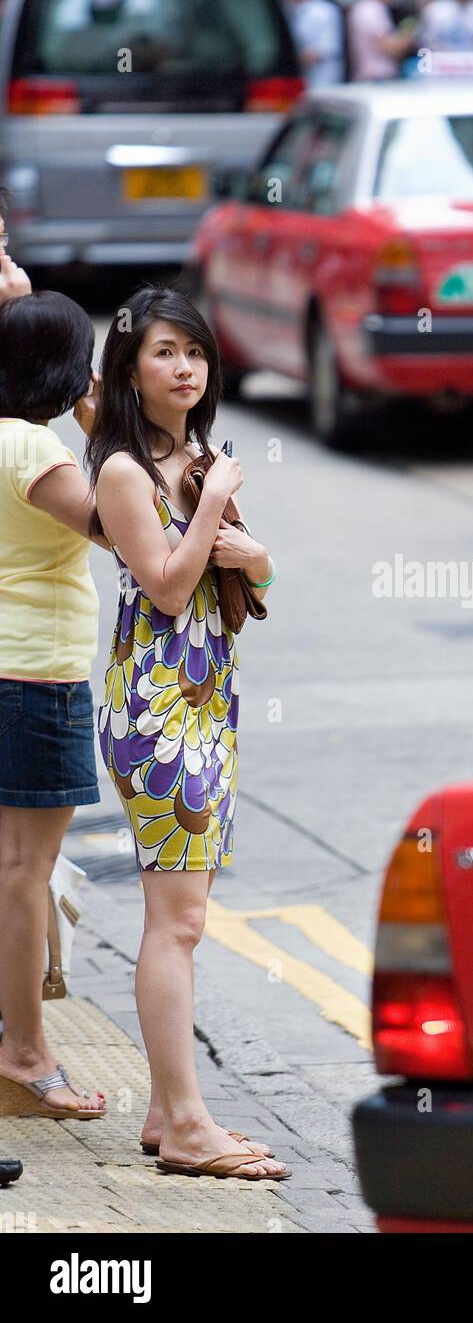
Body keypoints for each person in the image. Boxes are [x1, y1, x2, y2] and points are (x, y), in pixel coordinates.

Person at [86, 286, 287, 1182]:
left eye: (196, 353)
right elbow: (168, 586)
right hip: (155, 710)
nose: (185, 368)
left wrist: (256, 552)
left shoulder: (202, 459)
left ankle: (172, 1117)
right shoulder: (125, 470)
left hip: (209, 703)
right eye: (166, 352)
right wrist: (221, 505)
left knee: (186, 921)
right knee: (179, 920)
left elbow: (251, 577)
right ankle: (188, 1121)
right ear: (130, 367)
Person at [0, 280, 109, 1121]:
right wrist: (98, 426)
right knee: (23, 873)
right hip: (35, 682)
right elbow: (117, 525)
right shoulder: (38, 452)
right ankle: (26, 1051)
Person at [284, 0, 345, 88]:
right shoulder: (287, 8)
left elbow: (326, 48)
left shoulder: (325, 11)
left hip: (321, 82)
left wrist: (289, 59)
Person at [348, 0, 410, 81]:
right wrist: (408, 36)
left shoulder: (361, 6)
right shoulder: (373, 8)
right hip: (379, 76)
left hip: (368, 75)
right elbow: (387, 46)